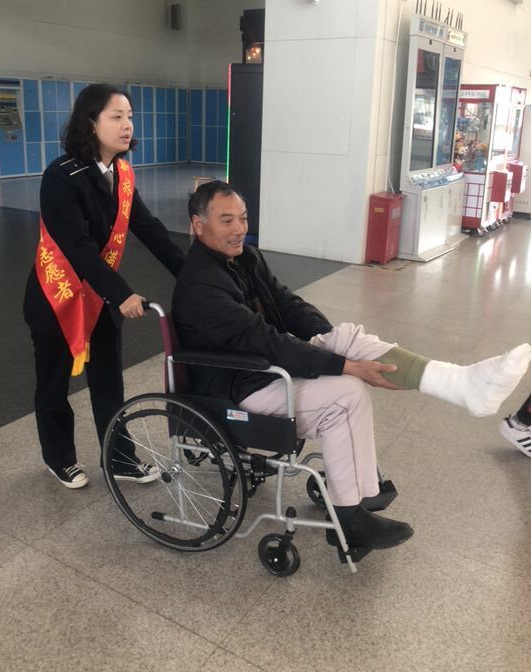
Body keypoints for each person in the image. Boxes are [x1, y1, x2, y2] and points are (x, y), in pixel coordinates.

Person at [172, 181, 531, 553]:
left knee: (346, 340)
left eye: (243, 218)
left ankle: (459, 385)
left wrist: (330, 338)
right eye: (226, 220)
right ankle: (349, 517)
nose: (239, 229)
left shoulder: (245, 258)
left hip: (263, 368)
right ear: (198, 225)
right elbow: (264, 341)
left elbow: (287, 304)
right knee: (346, 393)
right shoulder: (202, 286)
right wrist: (343, 364)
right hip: (239, 388)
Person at [24, 83, 184, 489]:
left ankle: (120, 458)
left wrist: (191, 273)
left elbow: (149, 228)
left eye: (129, 116)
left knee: (109, 381)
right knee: (54, 381)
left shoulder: (122, 174)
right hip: (57, 296)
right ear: (91, 123)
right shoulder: (61, 176)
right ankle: (59, 457)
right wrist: (122, 293)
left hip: (99, 295)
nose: (127, 125)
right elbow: (76, 246)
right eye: (116, 117)